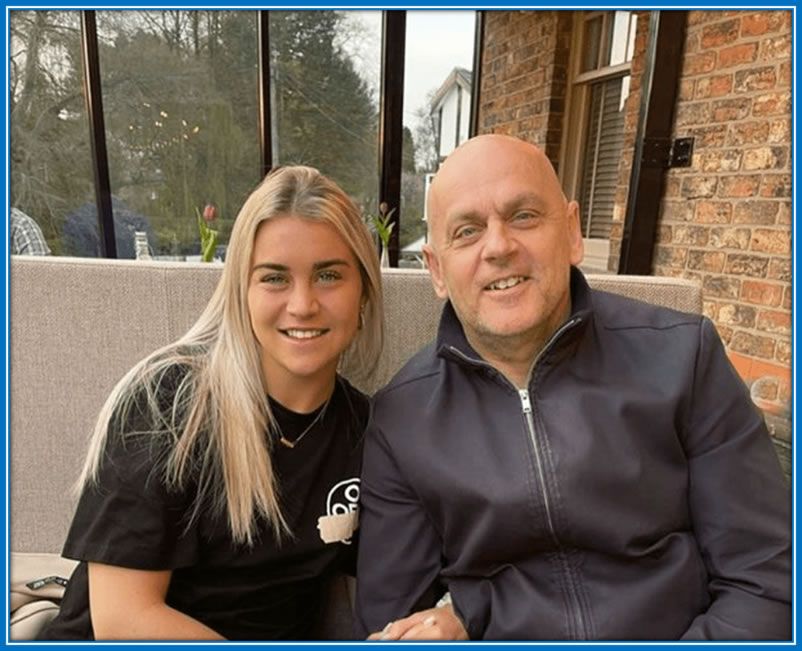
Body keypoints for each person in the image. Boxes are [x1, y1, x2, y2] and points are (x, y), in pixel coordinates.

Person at [355, 134, 791, 640]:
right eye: (468, 230)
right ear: (436, 269)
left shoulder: (682, 357)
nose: (498, 247)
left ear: (572, 232)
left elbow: (765, 575)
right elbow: (394, 621)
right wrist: (464, 609)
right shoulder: (401, 418)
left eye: (523, 216)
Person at [38, 165, 385, 640]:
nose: (303, 304)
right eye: (274, 278)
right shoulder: (167, 404)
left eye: (328, 275)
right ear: (240, 292)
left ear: (363, 291)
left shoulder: (368, 430)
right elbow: (123, 618)